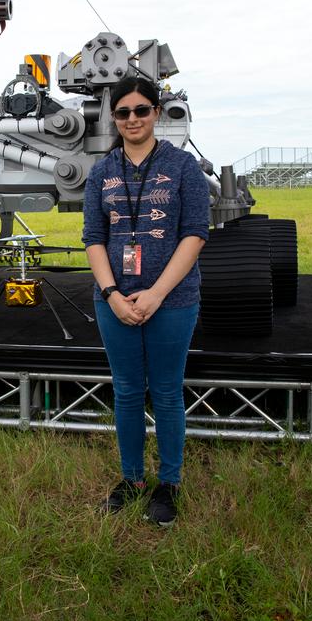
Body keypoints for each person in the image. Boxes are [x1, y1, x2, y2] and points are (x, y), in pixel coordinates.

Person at [83, 75, 209, 527]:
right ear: (112, 118)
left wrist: (156, 294)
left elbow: (195, 232)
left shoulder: (182, 167)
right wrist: (113, 294)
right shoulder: (101, 172)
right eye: (123, 112)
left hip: (172, 300)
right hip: (114, 301)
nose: (132, 119)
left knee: (168, 392)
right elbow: (94, 238)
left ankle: (168, 483)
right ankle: (132, 479)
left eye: (141, 110)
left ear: (156, 112)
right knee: (129, 391)